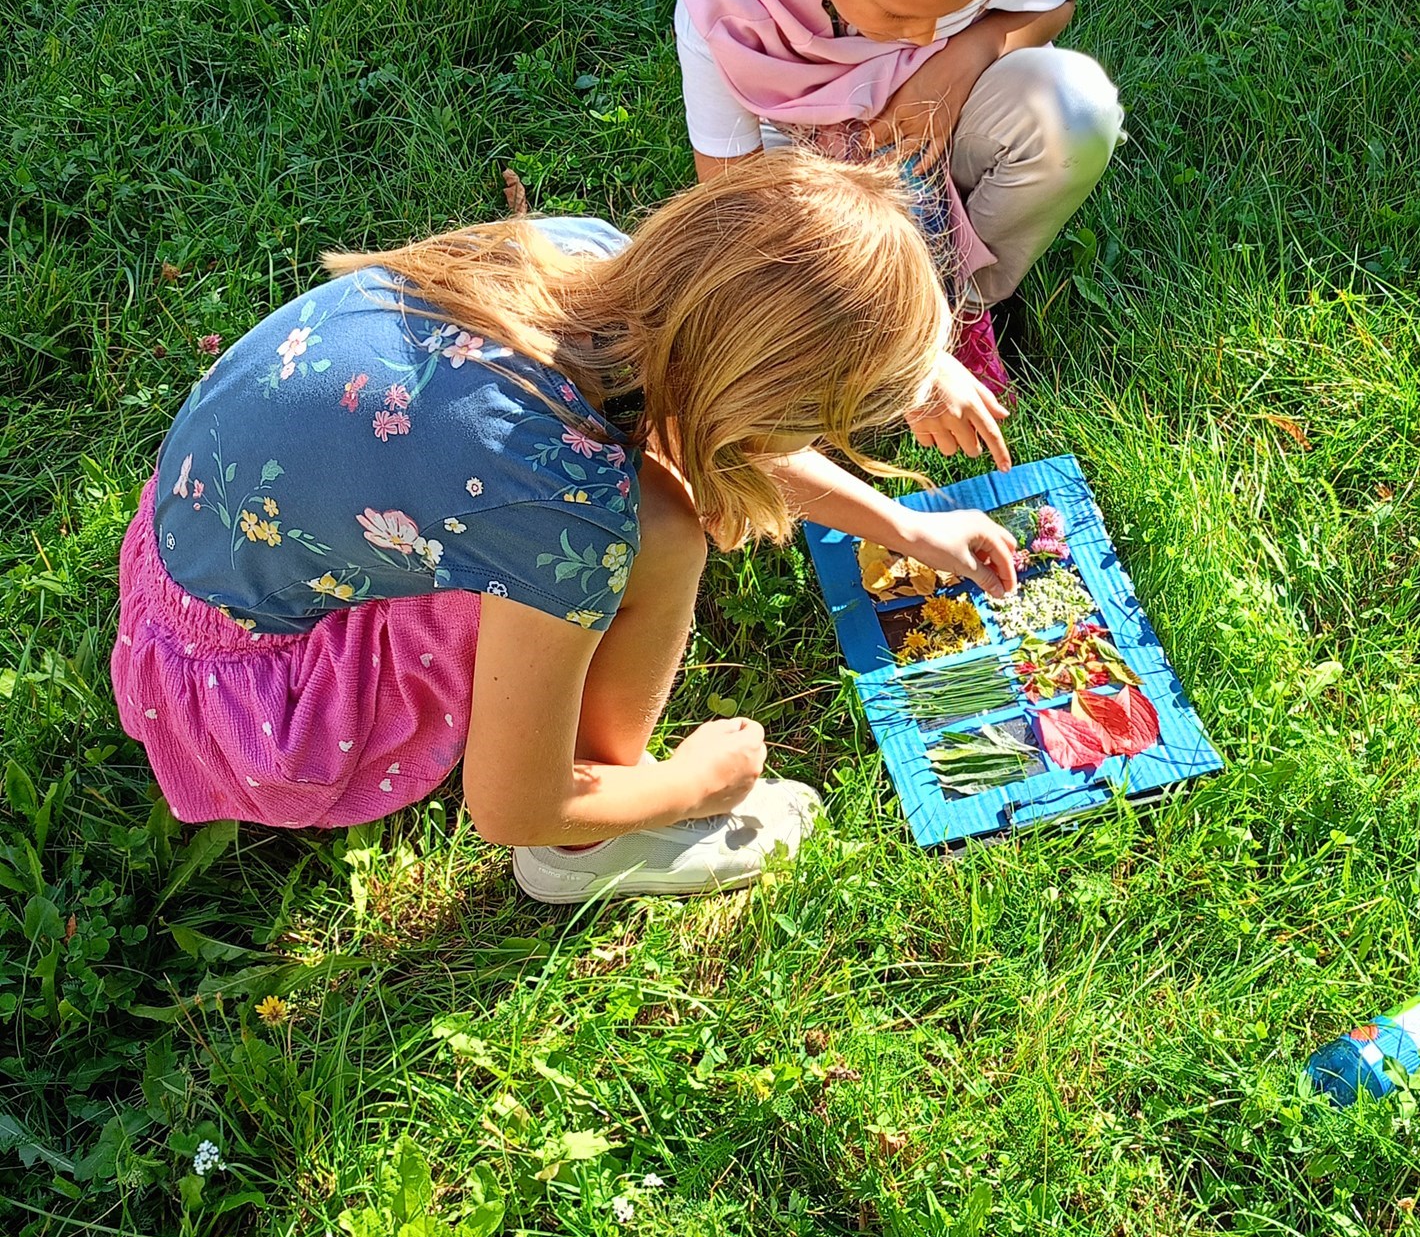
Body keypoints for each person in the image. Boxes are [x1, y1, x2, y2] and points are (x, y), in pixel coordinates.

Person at [110, 157, 1018, 901]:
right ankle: (586, 858)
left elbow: (690, 412)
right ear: (753, 406)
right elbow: (510, 804)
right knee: (660, 529)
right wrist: (697, 780)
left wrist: (901, 525)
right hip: (255, 687)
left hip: (196, 539)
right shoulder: (559, 509)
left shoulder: (586, 255)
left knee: (643, 506)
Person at [673, 0, 1123, 468]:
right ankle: (886, 338)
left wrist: (961, 59)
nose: (922, 37)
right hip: (801, 165)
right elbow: (734, 205)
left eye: (950, 14)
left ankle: (964, 303)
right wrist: (884, 332)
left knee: (1073, 108)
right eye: (898, 16)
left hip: (933, 130)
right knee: (766, 332)